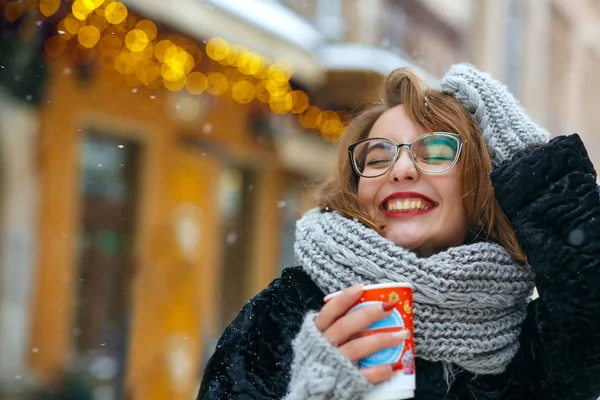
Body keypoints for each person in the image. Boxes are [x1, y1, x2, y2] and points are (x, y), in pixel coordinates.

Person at [197, 64, 600, 400]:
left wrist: (526, 156)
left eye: (436, 152)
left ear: (478, 185)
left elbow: (587, 281)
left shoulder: (533, 346)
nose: (402, 169)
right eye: (377, 157)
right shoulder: (286, 313)